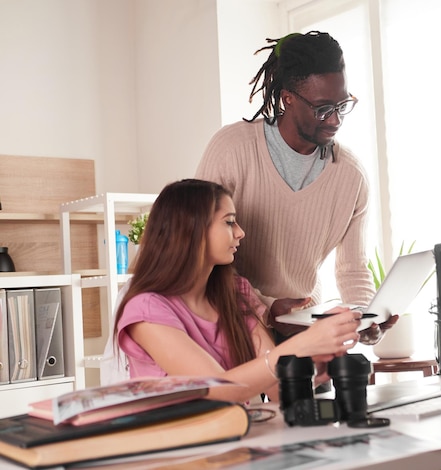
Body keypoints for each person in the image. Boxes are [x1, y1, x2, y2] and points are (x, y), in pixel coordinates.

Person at [195, 31, 397, 344]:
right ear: (287, 97)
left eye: (342, 105)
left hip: (306, 331)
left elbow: (352, 269)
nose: (335, 121)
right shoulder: (232, 149)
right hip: (230, 326)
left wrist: (365, 318)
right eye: (322, 108)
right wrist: (267, 308)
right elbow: (200, 250)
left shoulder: (350, 175)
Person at [113, 179, 362, 403]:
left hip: (236, 439)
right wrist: (303, 344)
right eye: (229, 222)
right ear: (191, 229)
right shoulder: (146, 311)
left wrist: (312, 365)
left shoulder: (234, 292)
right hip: (178, 448)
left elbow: (277, 391)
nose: (240, 232)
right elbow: (217, 391)